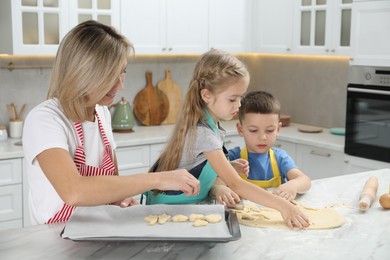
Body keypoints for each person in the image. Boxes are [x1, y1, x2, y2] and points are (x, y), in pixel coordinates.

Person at [22, 20, 200, 225]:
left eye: (122, 72)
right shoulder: (45, 119)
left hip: (96, 232)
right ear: (82, 73)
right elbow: (74, 191)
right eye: (111, 76)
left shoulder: (102, 113)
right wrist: (159, 179)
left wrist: (121, 199)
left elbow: (111, 186)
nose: (121, 85)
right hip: (56, 242)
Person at [146, 49, 310, 229]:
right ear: (207, 95)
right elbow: (236, 184)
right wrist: (284, 207)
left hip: (184, 207)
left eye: (240, 97)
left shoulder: (211, 126)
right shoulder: (203, 133)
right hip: (169, 211)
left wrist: (227, 167)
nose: (239, 105)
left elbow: (196, 165)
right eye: (232, 99)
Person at [228, 91, 311, 201]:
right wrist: (220, 189)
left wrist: (293, 185)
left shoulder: (279, 158)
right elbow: (216, 182)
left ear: (278, 129)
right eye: (254, 130)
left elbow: (305, 181)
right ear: (240, 129)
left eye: (269, 130)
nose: (262, 137)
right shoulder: (233, 157)